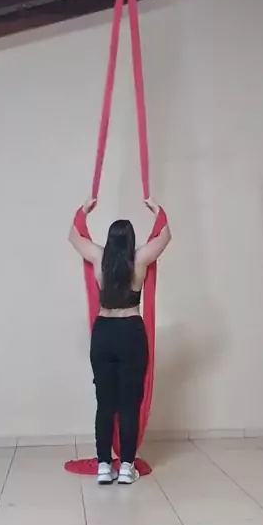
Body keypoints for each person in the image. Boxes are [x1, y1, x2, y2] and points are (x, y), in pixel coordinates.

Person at [69, 197, 171, 485]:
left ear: (110, 240)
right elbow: (165, 236)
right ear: (130, 240)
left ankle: (104, 465)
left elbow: (73, 236)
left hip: (104, 333)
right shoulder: (139, 259)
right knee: (129, 404)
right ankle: (126, 466)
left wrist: (84, 210)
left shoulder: (99, 258)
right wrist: (156, 209)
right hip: (130, 333)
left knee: (105, 403)